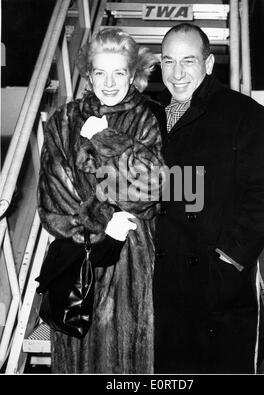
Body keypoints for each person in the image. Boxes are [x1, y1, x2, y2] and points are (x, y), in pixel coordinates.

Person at [153, 23, 264, 374]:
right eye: (168, 61)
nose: (177, 73)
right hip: (164, 289)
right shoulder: (154, 118)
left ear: (209, 64)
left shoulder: (246, 116)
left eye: (188, 61)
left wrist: (229, 258)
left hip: (217, 293)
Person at [37, 28, 165, 373]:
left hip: (132, 263)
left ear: (133, 74)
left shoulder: (146, 118)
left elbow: (151, 187)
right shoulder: (64, 120)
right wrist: (102, 222)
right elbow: (53, 201)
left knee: (128, 363)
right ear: (88, 75)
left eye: (119, 72)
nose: (109, 83)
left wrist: (104, 137)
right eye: (100, 72)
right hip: (82, 260)